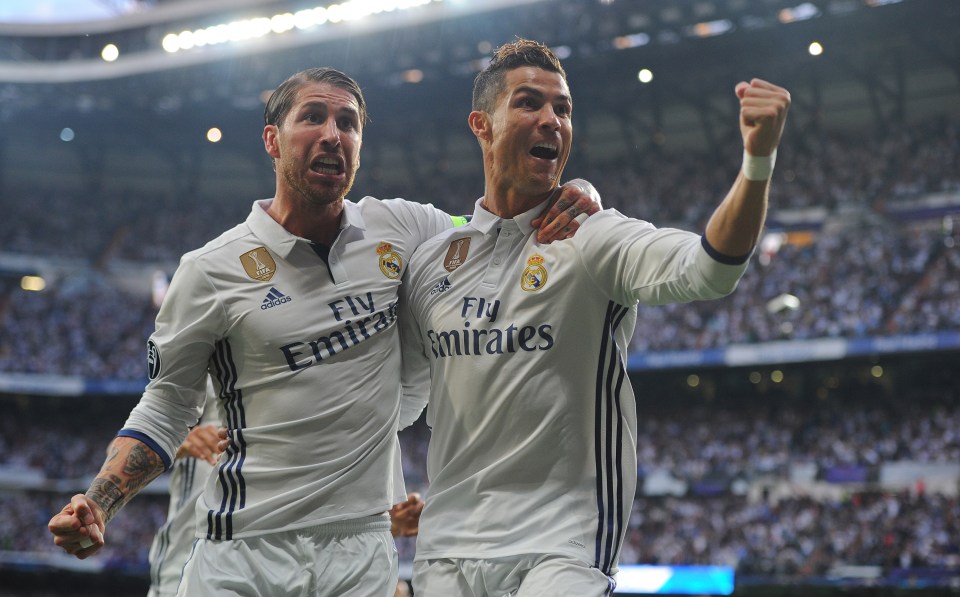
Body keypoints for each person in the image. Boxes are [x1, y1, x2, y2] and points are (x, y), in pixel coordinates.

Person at [47, 66, 600, 596]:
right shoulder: (211, 269)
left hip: (360, 553)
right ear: (272, 139)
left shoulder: (403, 228)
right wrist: (99, 501)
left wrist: (575, 193)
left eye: (349, 123)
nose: (333, 135)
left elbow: (494, 226)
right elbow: (167, 404)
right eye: (313, 117)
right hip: (244, 551)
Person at [398, 38, 790, 596]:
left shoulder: (592, 235)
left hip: (561, 546)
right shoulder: (434, 260)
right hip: (446, 550)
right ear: (481, 125)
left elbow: (710, 269)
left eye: (563, 108)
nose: (551, 120)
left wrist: (757, 163)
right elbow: (394, 399)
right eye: (529, 103)